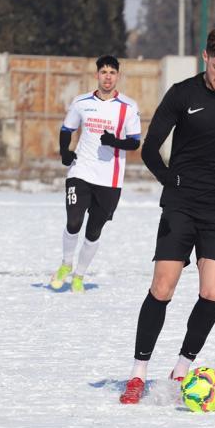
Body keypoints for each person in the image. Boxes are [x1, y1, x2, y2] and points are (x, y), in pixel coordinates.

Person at [119, 28, 215, 404]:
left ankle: (181, 367)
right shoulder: (182, 94)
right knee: (163, 288)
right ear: (205, 56)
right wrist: (168, 179)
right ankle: (138, 374)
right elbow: (150, 148)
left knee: (212, 291)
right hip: (182, 206)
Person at [49, 55, 141, 294]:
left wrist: (115, 141)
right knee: (74, 221)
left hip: (110, 179)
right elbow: (66, 129)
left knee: (93, 231)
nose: (107, 77)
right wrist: (64, 152)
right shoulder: (81, 102)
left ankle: (79, 275)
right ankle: (66, 264)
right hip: (81, 171)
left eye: (112, 72)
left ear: (118, 76)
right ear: (97, 75)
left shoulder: (128, 107)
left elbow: (134, 143)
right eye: (104, 72)